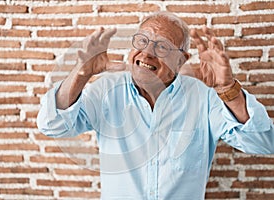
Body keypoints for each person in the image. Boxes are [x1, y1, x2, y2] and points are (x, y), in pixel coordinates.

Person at [37, 11, 274, 200]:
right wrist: (82, 73)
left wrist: (228, 89)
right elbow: (52, 124)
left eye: (162, 47)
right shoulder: (106, 90)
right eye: (142, 41)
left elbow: (263, 142)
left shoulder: (205, 97)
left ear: (181, 60)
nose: (147, 53)